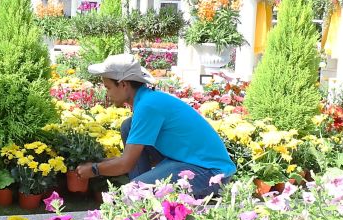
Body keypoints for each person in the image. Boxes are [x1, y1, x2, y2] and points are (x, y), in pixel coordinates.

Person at [73, 53, 236, 198]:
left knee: (132, 194)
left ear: (123, 84)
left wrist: (94, 169)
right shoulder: (147, 100)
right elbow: (128, 158)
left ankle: (139, 195)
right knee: (128, 126)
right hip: (184, 161)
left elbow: (125, 163)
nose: (106, 94)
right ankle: (142, 192)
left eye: (108, 87)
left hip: (211, 172)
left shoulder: (148, 106)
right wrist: (99, 161)